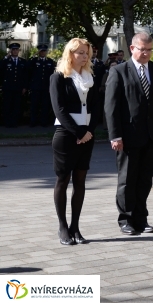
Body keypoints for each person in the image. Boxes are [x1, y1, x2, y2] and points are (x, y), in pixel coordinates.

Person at [104, 32, 153, 235]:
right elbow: (111, 107)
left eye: (150, 50)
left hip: (152, 134)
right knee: (127, 178)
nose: (146, 53)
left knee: (145, 179)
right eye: (142, 49)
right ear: (132, 48)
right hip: (128, 135)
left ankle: (141, 218)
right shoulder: (119, 71)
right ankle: (126, 219)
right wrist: (115, 136)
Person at [50, 38, 102, 245]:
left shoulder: (91, 77)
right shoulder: (59, 77)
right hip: (66, 134)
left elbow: (96, 107)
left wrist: (89, 131)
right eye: (80, 52)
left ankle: (75, 227)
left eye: (86, 52)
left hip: (87, 136)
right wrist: (79, 132)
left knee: (80, 181)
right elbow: (59, 109)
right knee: (63, 180)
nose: (84, 56)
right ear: (70, 54)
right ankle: (63, 228)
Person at [28, 43, 57, 127]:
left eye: (44, 51)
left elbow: (52, 75)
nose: (43, 53)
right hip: (35, 87)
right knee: (34, 105)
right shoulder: (34, 61)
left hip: (45, 87)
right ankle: (33, 122)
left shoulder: (50, 61)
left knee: (45, 105)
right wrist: (34, 55)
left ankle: (43, 122)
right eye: (41, 51)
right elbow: (28, 66)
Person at [2, 42, 28, 127]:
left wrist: (24, 86)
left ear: (19, 51)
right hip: (8, 87)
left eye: (17, 49)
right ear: (11, 51)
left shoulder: (22, 61)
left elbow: (25, 75)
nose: (15, 51)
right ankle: (7, 122)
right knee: (7, 105)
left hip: (18, 88)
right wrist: (6, 57)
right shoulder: (6, 61)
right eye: (13, 49)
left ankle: (15, 122)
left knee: (16, 106)